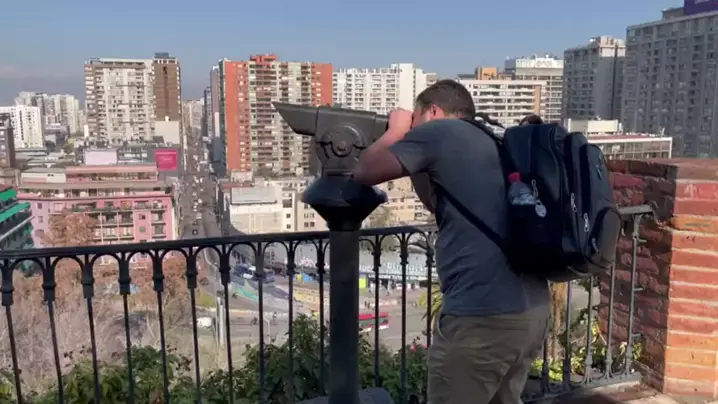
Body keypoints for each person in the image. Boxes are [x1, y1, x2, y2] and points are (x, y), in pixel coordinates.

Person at [352, 79, 550, 404]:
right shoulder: (489, 138)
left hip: (481, 319)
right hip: (529, 313)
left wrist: (397, 131)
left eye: (416, 120)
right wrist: (416, 162)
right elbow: (437, 205)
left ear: (433, 111)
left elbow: (364, 172)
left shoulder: (440, 131)